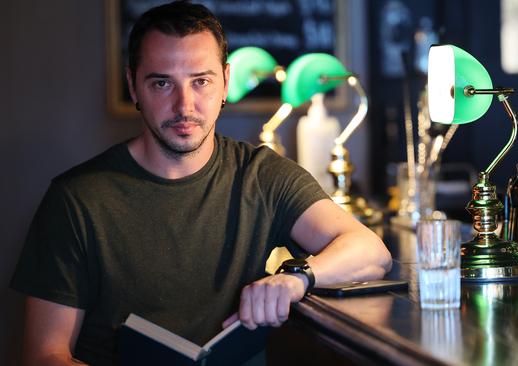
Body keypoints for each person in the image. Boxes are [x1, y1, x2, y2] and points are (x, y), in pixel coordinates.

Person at [10, 1, 392, 365]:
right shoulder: (76, 199)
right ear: (133, 85)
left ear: (225, 82)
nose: (184, 106)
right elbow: (43, 356)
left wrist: (298, 279)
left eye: (201, 81)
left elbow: (371, 252)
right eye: (162, 84)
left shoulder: (261, 176)